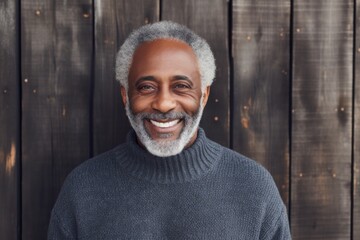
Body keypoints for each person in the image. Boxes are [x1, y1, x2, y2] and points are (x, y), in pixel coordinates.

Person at [48, 21, 291, 239]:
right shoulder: (82, 190)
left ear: (204, 95)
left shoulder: (254, 188)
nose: (164, 104)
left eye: (181, 86)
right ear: (125, 96)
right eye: (146, 87)